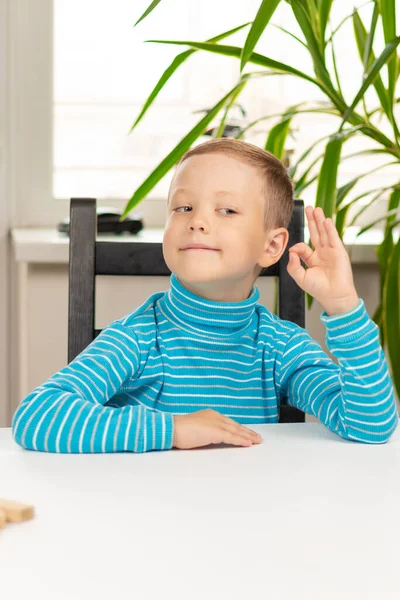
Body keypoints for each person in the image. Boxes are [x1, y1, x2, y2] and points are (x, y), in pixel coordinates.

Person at [11, 138, 398, 453]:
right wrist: (172, 430)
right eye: (183, 207)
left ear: (272, 246)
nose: (197, 220)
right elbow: (37, 417)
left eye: (227, 210)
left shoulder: (280, 347)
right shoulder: (139, 338)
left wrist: (344, 307)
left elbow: (371, 424)